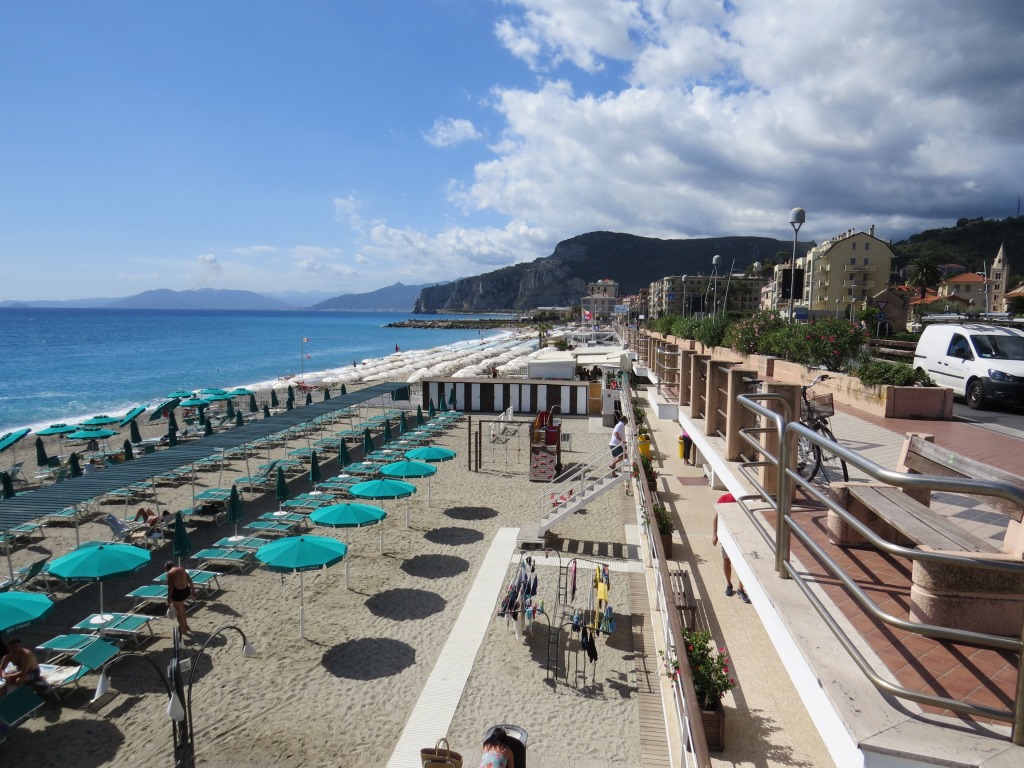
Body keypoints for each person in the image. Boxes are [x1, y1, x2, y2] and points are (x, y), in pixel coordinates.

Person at [712, 493, 750, 603]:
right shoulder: (724, 498)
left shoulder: (745, 501)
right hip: (726, 536)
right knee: (726, 560)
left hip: (740, 537)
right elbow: (716, 516)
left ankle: (740, 589)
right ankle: (729, 584)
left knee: (742, 564)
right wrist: (715, 534)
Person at [165, 560, 195, 634]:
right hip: (186, 592)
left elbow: (170, 588)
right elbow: (190, 580)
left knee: (179, 614)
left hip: (178, 595)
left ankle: (183, 629)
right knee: (181, 608)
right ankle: (186, 625)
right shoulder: (181, 569)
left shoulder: (169, 574)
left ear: (167, 568)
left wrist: (168, 600)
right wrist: (193, 590)